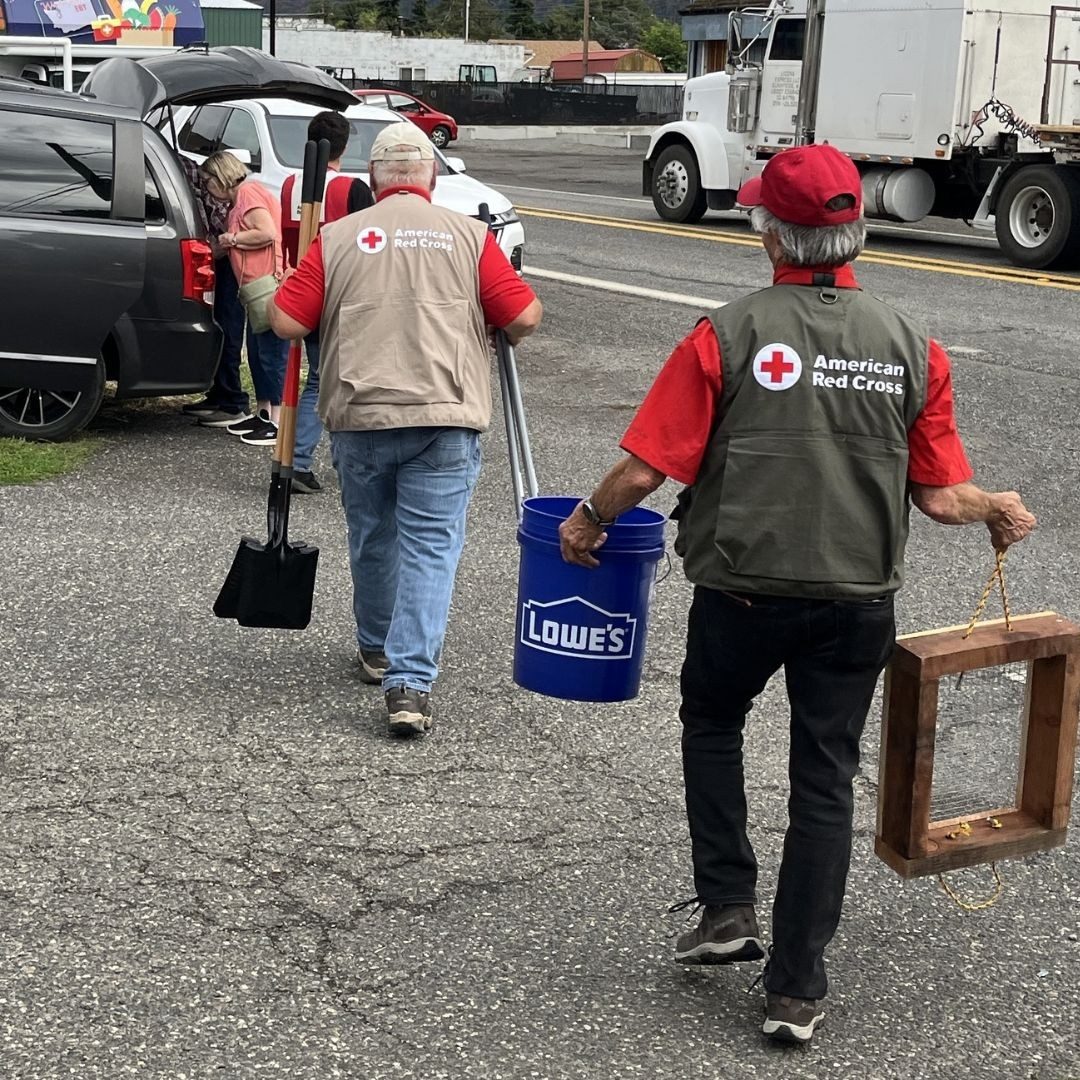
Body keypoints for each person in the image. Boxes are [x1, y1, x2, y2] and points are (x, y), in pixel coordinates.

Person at [558, 144, 1036, 1045]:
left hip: (740, 589)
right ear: (856, 232)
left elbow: (648, 468)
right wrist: (995, 508)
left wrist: (585, 521)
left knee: (711, 722)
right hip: (856, 598)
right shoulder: (911, 345)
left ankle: (727, 906)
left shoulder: (724, 334)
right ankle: (796, 991)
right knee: (825, 777)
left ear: (764, 228)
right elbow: (939, 497)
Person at [268, 123, 542, 736]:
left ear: (372, 182)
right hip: (444, 415)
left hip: (360, 413)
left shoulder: (336, 237)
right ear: (433, 180)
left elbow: (285, 322)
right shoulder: (470, 237)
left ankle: (374, 648)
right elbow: (523, 316)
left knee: (372, 534)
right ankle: (410, 685)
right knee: (431, 548)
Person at [279, 110, 374, 494]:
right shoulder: (350, 190)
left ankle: (296, 458)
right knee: (338, 382)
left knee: (317, 380)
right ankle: (309, 459)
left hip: (301, 293)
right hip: (340, 298)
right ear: (345, 146)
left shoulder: (288, 186)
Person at [199, 150, 288, 448]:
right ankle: (263, 413)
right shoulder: (239, 200)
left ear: (221, 177)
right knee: (258, 352)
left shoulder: (248, 194)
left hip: (265, 285)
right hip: (251, 287)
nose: (207, 188)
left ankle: (278, 422)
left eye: (208, 181)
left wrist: (232, 239)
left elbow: (266, 232)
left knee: (271, 355)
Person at [178, 156, 252, 428]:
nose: (206, 186)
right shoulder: (228, 198)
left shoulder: (242, 199)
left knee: (229, 332)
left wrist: (224, 242)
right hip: (226, 267)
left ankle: (233, 401)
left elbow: (260, 233)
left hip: (233, 269)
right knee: (220, 326)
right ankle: (221, 394)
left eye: (209, 181)